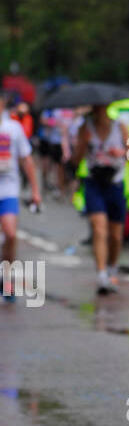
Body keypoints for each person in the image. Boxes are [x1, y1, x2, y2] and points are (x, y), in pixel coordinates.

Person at [72, 102, 129, 295]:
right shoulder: (85, 128)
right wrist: (83, 144)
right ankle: (102, 275)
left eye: (100, 107)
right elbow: (75, 159)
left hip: (115, 183)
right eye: (94, 107)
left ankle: (112, 267)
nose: (96, 110)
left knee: (115, 235)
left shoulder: (120, 126)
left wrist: (120, 152)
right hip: (94, 183)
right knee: (99, 228)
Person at [0, 89, 42, 300]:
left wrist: (35, 190)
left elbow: (26, 159)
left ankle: (6, 279)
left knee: (10, 234)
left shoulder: (13, 128)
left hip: (7, 189)